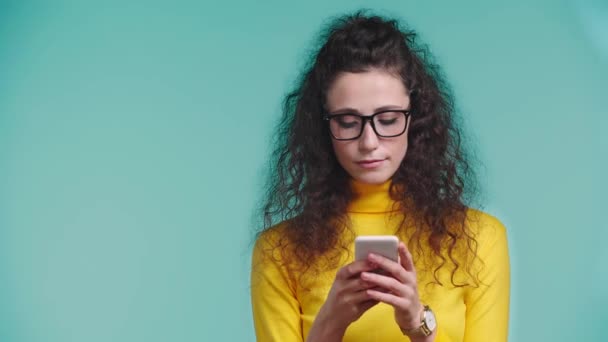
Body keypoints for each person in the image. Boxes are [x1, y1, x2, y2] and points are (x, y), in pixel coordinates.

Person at [250, 11, 510, 342]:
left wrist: (418, 324)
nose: (369, 142)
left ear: (415, 120)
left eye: (387, 119)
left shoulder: (478, 238)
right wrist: (331, 322)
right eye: (347, 121)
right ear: (323, 127)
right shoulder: (278, 250)